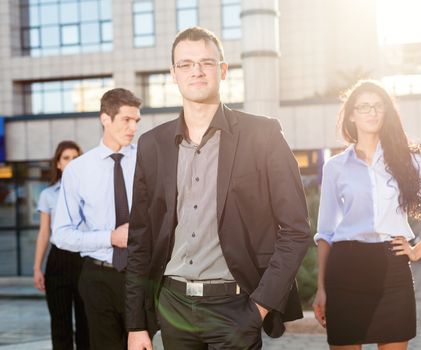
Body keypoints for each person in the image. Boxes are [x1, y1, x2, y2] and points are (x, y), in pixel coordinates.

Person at [126, 26, 311, 350]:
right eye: (185, 64)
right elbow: (140, 239)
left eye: (206, 62)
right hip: (173, 307)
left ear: (223, 70)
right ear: (173, 74)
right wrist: (136, 324)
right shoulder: (152, 145)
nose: (195, 71)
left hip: (237, 308)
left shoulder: (262, 135)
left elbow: (296, 230)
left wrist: (259, 308)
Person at [312, 80, 421, 349]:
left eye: (379, 106)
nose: (372, 112)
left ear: (387, 112)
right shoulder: (335, 167)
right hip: (346, 270)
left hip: (393, 269)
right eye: (364, 106)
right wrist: (321, 288)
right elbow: (326, 233)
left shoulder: (408, 160)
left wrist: (417, 249)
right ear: (352, 115)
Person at [52, 88, 141, 349]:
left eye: (136, 120)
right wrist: (110, 237)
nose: (133, 127)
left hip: (141, 275)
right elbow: (61, 234)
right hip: (98, 276)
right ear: (105, 119)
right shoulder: (79, 170)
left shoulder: (147, 160)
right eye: (126, 120)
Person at [33, 140, 89, 350]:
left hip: (84, 258)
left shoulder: (90, 191)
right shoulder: (48, 195)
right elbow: (44, 233)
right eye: (66, 158)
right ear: (58, 163)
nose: (71, 162)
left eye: (75, 158)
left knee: (86, 323)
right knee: (60, 323)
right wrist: (37, 267)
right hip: (57, 260)